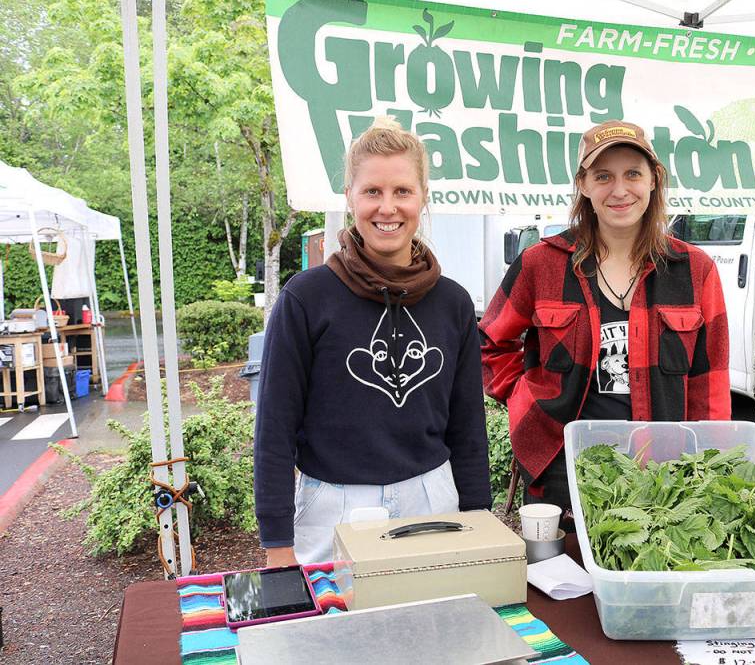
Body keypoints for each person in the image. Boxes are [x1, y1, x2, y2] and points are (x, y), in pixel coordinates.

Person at [254, 117, 491, 565]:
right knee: (331, 630)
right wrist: (277, 544)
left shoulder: (453, 302)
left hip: (433, 499)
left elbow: (468, 425)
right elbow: (274, 429)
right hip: (333, 507)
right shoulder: (305, 298)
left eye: (402, 191)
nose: (388, 208)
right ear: (349, 197)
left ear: (423, 196)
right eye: (372, 192)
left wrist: (478, 517)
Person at [479, 120, 730, 526]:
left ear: (654, 180)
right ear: (583, 184)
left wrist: (711, 464)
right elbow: (490, 342)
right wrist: (525, 399)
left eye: (633, 173)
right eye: (603, 176)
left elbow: (709, 383)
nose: (619, 190)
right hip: (561, 468)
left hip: (665, 474)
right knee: (560, 583)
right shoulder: (540, 264)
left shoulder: (694, 271)